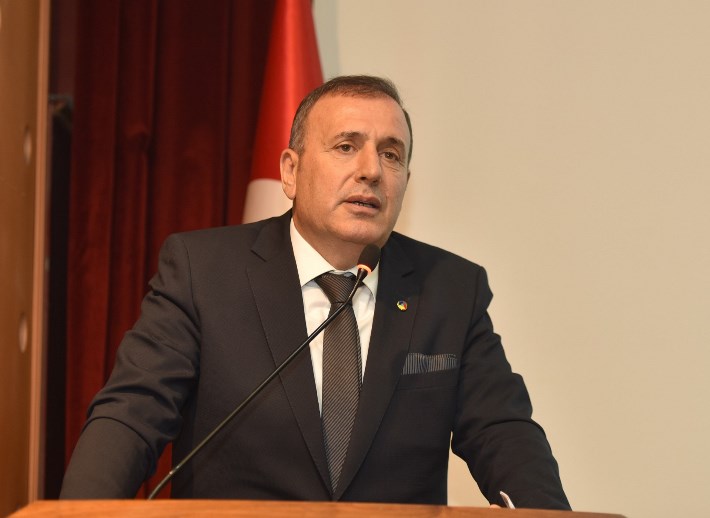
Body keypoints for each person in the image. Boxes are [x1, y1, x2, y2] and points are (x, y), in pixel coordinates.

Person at [61, 75, 570, 509]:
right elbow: (132, 414)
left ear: (405, 180)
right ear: (290, 170)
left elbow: (503, 431)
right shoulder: (205, 272)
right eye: (346, 146)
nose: (371, 170)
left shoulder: (451, 290)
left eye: (390, 154)